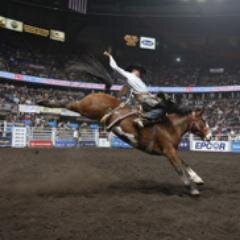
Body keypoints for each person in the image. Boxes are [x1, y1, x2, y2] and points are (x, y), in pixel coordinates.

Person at [103, 51, 190, 127]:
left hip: (148, 98)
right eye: (139, 71)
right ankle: (144, 118)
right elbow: (115, 67)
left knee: (163, 108)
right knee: (165, 104)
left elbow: (124, 90)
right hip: (145, 99)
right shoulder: (129, 76)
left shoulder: (138, 81)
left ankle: (174, 111)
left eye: (140, 71)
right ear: (134, 70)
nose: (140, 73)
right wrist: (110, 56)